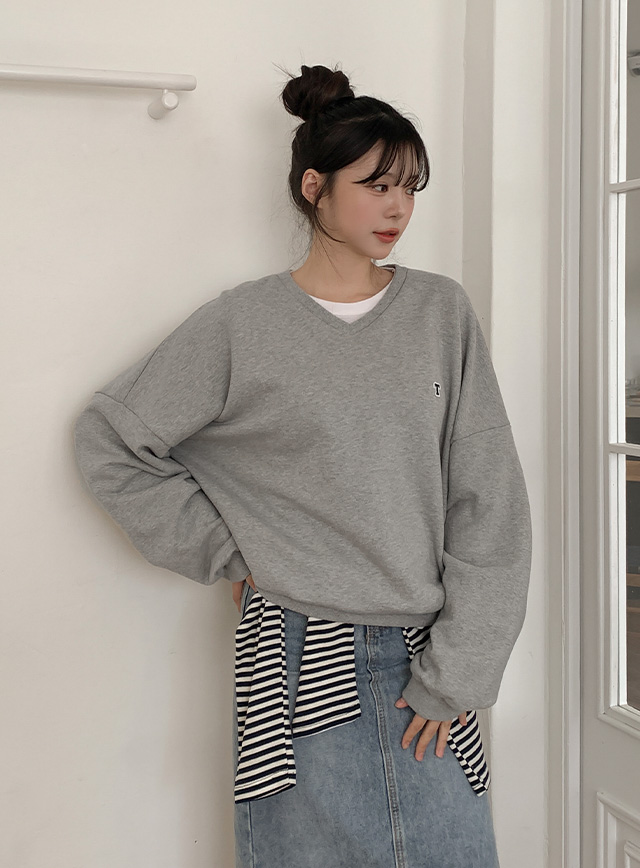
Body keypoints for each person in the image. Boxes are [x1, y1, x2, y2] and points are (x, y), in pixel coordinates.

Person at [73, 63, 532, 868]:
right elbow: (111, 439)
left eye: (410, 187)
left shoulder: (440, 312)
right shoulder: (243, 324)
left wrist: (457, 672)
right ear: (314, 186)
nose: (398, 208)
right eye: (376, 185)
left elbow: (488, 503)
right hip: (292, 654)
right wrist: (229, 551)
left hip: (424, 651)